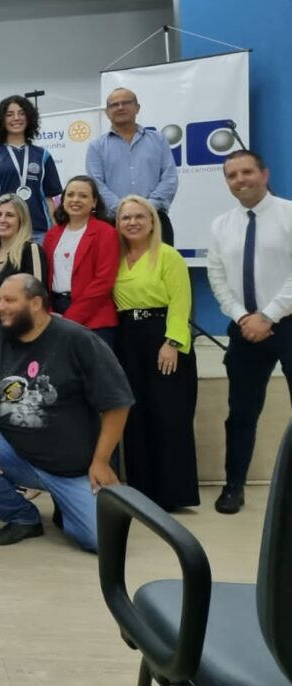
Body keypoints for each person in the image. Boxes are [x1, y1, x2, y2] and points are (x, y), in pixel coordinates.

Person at [0, 275, 133, 551]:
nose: (0, 307)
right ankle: (22, 517)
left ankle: (68, 506)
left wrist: (101, 461)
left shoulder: (78, 340)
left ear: (36, 303)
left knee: (104, 541)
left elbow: (117, 403)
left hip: (73, 468)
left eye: (9, 300)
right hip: (15, 453)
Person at [206, 150, 292, 515]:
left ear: (264, 173)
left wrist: (269, 315)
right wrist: (244, 317)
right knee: (241, 412)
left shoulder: (289, 213)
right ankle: (234, 486)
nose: (239, 180)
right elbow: (217, 277)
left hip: (288, 322)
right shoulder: (221, 225)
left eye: (246, 172)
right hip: (244, 328)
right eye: (231, 175)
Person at [113, 196, 199, 511]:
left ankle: (174, 495)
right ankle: (142, 492)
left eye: (139, 217)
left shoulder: (167, 256)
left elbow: (181, 301)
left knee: (169, 416)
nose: (133, 222)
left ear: (152, 221)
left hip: (163, 337)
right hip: (127, 340)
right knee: (135, 417)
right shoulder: (117, 258)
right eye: (126, 218)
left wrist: (172, 343)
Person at [86, 87, 179, 245]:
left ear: (137, 107)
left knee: (160, 267)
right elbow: (97, 185)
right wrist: (124, 211)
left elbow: (169, 178)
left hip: (155, 219)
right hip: (113, 223)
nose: (120, 107)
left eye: (126, 103)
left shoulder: (158, 140)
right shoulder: (96, 147)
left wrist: (146, 208)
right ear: (107, 112)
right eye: (114, 105)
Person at [43, 175, 119, 349]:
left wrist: (71, 318)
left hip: (94, 318)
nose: (75, 200)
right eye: (70, 195)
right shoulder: (52, 235)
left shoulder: (106, 232)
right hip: (55, 314)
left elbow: (104, 281)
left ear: (94, 202)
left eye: (83, 196)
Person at [0, 95, 63, 243]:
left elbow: (49, 198)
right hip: (4, 231)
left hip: (38, 231)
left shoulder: (43, 155)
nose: (16, 118)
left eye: (21, 113)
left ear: (29, 117)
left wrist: (56, 231)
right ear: (2, 120)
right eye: (9, 114)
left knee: (38, 266)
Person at [0, 194, 48, 323]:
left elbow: (39, 299)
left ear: (21, 221)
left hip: (19, 332)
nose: (2, 220)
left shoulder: (31, 251)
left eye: (10, 215)